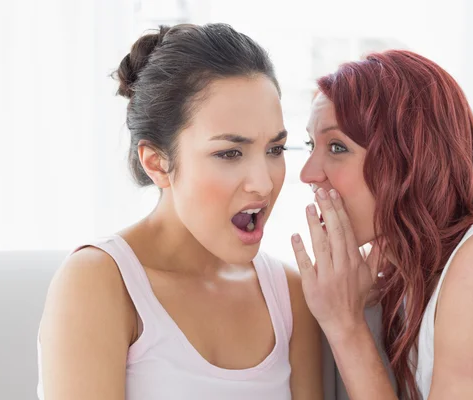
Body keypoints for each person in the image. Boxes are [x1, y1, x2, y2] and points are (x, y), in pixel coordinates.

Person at [38, 23, 322, 400]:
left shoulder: (290, 293)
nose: (264, 183)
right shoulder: (100, 282)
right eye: (229, 153)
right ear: (156, 163)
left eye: (274, 150)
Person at [291, 49, 473, 399]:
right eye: (311, 145)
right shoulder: (411, 278)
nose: (307, 174)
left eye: (337, 147)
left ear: (410, 159)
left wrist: (345, 326)